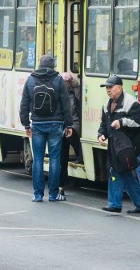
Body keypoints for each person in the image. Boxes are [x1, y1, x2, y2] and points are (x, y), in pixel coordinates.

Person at [19, 54, 73, 203]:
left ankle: (37, 194)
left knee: (38, 160)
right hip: (56, 124)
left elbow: (24, 104)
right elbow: (66, 103)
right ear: (52, 66)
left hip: (37, 125)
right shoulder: (58, 80)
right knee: (55, 160)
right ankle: (53, 194)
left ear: (40, 65)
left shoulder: (31, 80)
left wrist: (26, 125)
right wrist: (69, 124)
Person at [98, 75, 140, 214]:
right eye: (106, 88)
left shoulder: (131, 103)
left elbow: (139, 121)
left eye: (111, 87)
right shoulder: (106, 105)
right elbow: (104, 124)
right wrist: (101, 134)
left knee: (115, 171)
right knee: (124, 174)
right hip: (116, 146)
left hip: (129, 146)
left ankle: (115, 204)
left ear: (119, 88)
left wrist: (121, 122)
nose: (108, 90)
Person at [58, 72, 83, 200]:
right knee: (63, 157)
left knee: (71, 135)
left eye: (68, 82)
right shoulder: (57, 92)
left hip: (74, 122)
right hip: (62, 126)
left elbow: (78, 107)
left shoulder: (76, 91)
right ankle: (61, 186)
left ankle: (80, 154)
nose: (66, 85)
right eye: (64, 82)